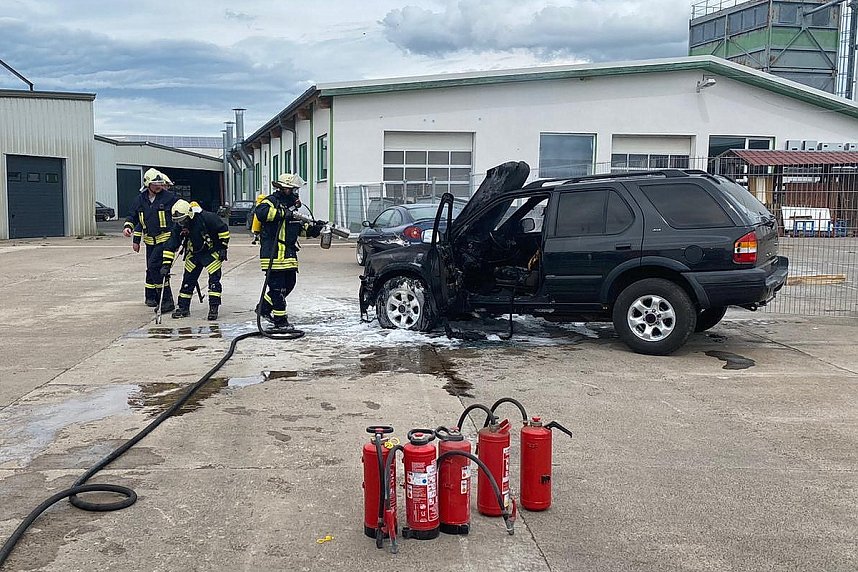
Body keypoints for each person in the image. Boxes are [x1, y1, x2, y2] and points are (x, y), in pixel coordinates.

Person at [255, 173, 324, 330]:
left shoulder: (291, 206)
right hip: (273, 252)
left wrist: (314, 229)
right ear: (283, 188)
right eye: (293, 189)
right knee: (277, 289)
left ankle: (263, 308)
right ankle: (281, 321)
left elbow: (297, 229)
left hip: (288, 253)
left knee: (290, 284)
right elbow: (260, 213)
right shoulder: (271, 201)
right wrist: (282, 213)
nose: (295, 192)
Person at [161, 199, 230, 320]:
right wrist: (166, 265)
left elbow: (223, 230)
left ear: (189, 214)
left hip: (211, 253)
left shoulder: (207, 218)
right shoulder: (178, 226)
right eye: (178, 221)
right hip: (193, 253)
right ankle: (183, 308)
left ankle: (214, 307)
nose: (181, 224)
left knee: (214, 282)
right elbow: (171, 244)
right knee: (188, 281)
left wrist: (223, 248)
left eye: (183, 220)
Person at [123, 168, 179, 312]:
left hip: (165, 240)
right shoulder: (140, 200)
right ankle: (152, 297)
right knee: (152, 269)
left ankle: (166, 300)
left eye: (160, 184)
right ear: (148, 184)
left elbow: (180, 211)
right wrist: (130, 231)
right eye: (155, 184)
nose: (159, 186)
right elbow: (133, 218)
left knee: (156, 267)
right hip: (149, 241)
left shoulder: (169, 198)